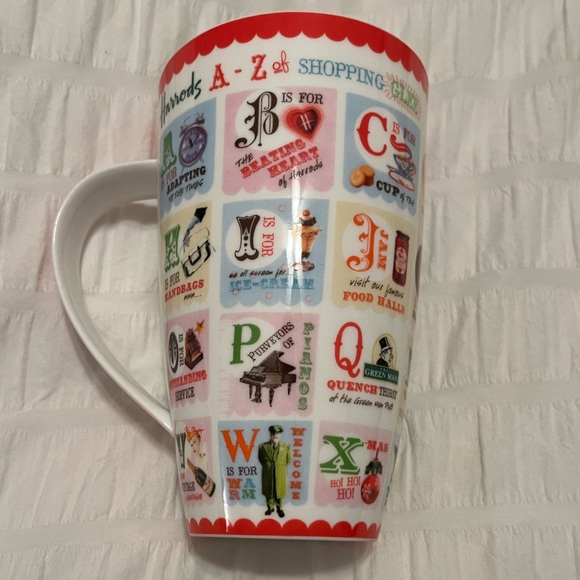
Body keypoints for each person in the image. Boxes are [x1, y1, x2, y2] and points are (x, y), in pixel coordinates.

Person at [258, 425, 291, 517]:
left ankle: (279, 508)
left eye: (277, 434)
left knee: (279, 491)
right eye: (273, 434)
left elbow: (288, 460)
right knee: (269, 491)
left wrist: (279, 467)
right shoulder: (262, 447)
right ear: (270, 434)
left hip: (280, 474)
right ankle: (270, 508)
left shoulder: (286, 447)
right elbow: (261, 459)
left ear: (280, 435)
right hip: (267, 474)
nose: (275, 435)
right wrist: (268, 467)